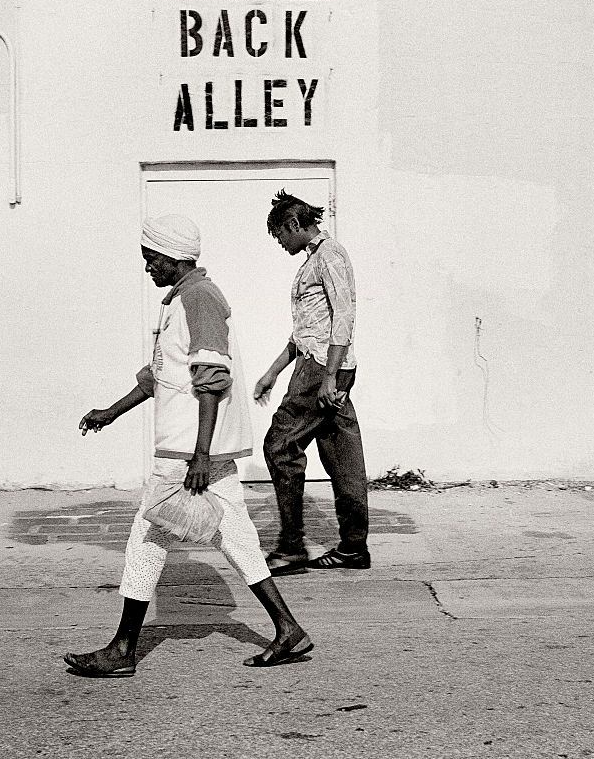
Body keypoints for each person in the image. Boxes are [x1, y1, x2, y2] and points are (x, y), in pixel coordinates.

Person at [64, 214, 312, 677]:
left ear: (172, 257)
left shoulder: (197, 299)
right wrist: (111, 412)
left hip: (187, 452)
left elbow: (211, 379)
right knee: (236, 536)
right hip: (195, 450)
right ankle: (287, 628)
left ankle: (123, 649)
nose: (147, 267)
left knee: (147, 536)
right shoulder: (182, 299)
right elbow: (160, 376)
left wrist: (200, 454)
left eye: (150, 258)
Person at [254, 191, 370, 576]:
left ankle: (291, 548)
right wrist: (273, 371)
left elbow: (344, 317)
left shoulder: (329, 255)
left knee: (280, 445)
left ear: (293, 225)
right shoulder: (314, 261)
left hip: (323, 367)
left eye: (280, 235)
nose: (281, 243)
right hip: (323, 363)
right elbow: (306, 330)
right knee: (341, 452)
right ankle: (353, 547)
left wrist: (331, 376)